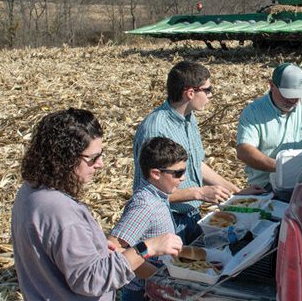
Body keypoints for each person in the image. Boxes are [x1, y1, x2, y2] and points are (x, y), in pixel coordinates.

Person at [11, 109, 182, 301]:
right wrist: (147, 248)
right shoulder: (60, 212)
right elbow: (92, 280)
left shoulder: (29, 191)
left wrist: (96, 246)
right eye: (92, 158)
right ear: (65, 158)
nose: (100, 164)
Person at [133, 61, 260, 245]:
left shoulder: (189, 119)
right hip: (166, 222)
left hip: (190, 216)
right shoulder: (155, 129)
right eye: (208, 90)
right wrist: (198, 193)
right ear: (190, 92)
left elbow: (196, 166)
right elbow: (147, 193)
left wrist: (237, 193)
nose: (211, 95)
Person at [110, 137, 190, 301]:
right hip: (142, 292)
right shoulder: (145, 206)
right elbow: (113, 248)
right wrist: (156, 276)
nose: (183, 178)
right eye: (178, 173)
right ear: (155, 174)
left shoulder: (159, 195)